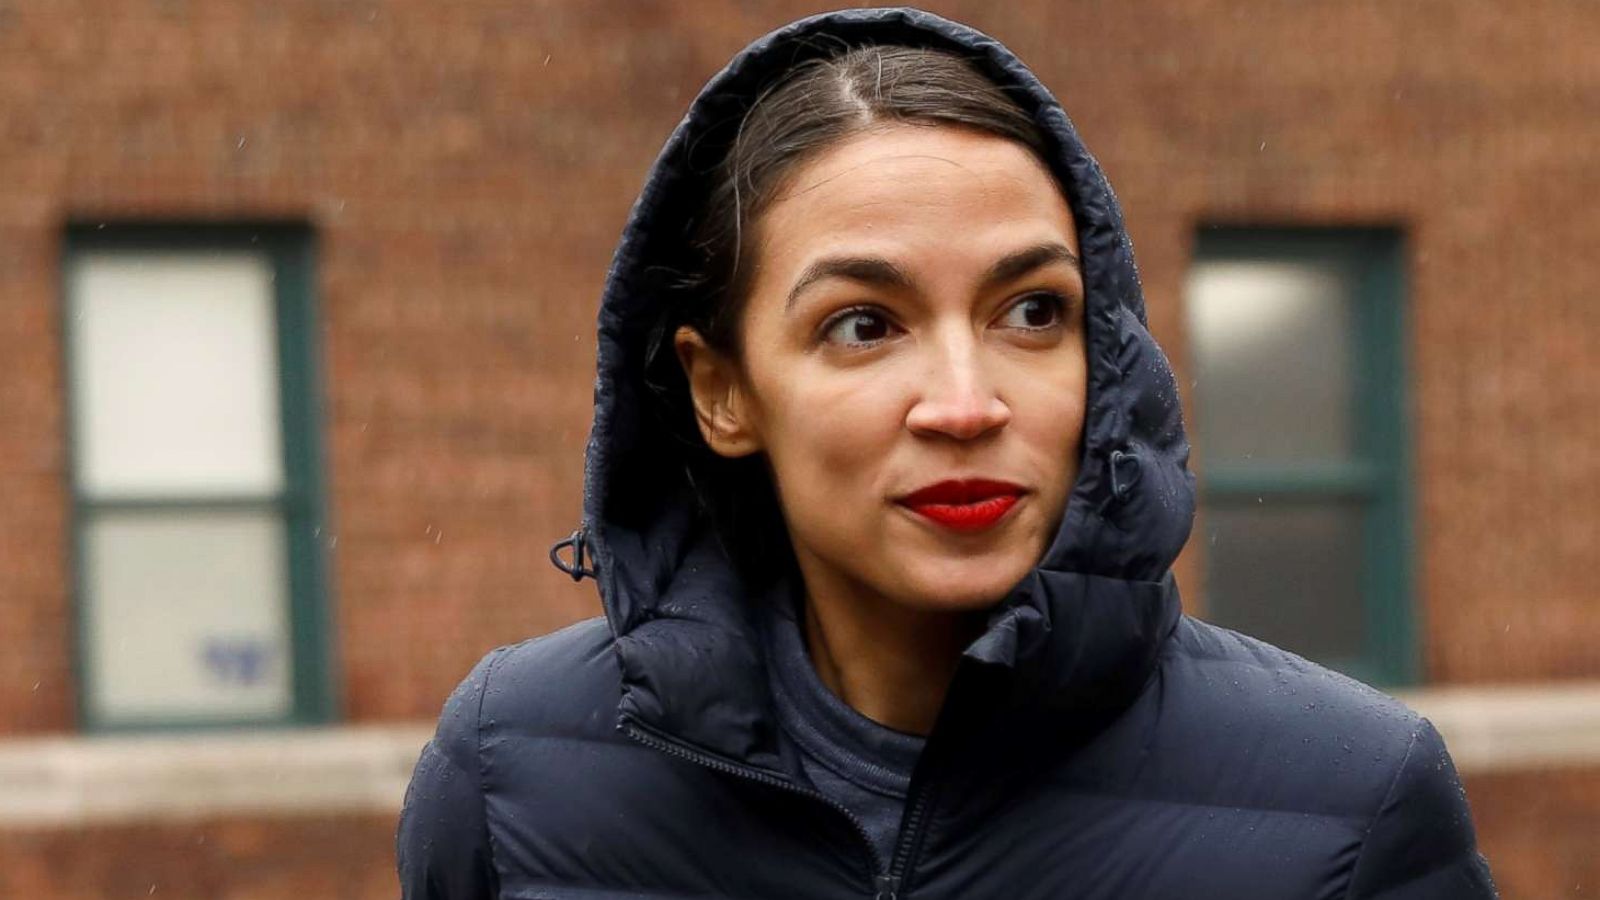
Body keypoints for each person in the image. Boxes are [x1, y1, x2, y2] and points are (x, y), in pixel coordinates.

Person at [397, 7, 1497, 898]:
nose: (965, 406)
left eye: (1031, 313)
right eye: (864, 325)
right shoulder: (512, 767)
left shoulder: (1350, 800)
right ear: (721, 391)